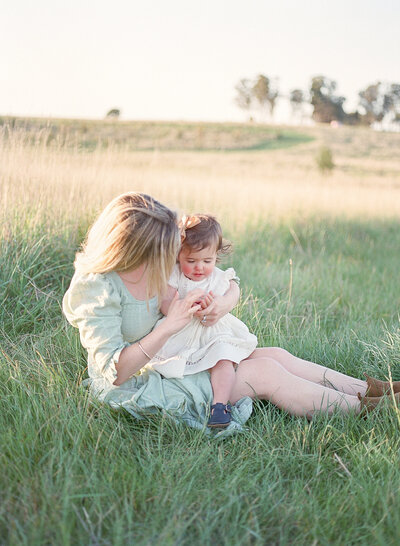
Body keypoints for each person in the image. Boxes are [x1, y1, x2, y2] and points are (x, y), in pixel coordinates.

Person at [62, 192, 400, 436]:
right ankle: (368, 411)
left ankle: (372, 390)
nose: (172, 255)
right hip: (137, 384)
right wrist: (171, 326)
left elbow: (201, 288)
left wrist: (218, 304)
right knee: (264, 372)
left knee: (273, 354)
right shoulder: (96, 288)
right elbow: (115, 373)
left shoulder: (152, 267)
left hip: (171, 358)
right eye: (166, 248)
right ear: (137, 248)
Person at [146, 214, 257, 428]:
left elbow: (227, 295)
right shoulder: (174, 275)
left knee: (223, 358)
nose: (200, 267)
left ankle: (220, 406)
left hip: (212, 333)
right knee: (170, 363)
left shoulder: (218, 277)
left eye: (208, 261)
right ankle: (180, 388)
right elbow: (166, 305)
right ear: (178, 256)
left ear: (216, 255)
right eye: (191, 261)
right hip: (182, 332)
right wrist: (187, 303)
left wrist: (214, 303)